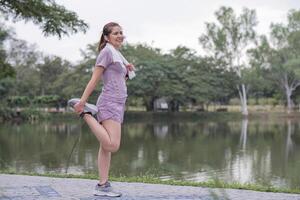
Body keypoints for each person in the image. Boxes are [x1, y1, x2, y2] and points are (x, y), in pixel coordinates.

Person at [68, 22, 135, 197]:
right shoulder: (106, 52)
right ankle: (87, 113)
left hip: (118, 103)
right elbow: (95, 79)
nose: (120, 35)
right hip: (109, 102)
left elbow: (117, 82)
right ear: (106, 36)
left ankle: (102, 185)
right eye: (115, 33)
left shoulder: (117, 54)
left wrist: (126, 71)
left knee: (105, 148)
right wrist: (82, 102)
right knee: (112, 145)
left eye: (121, 32)